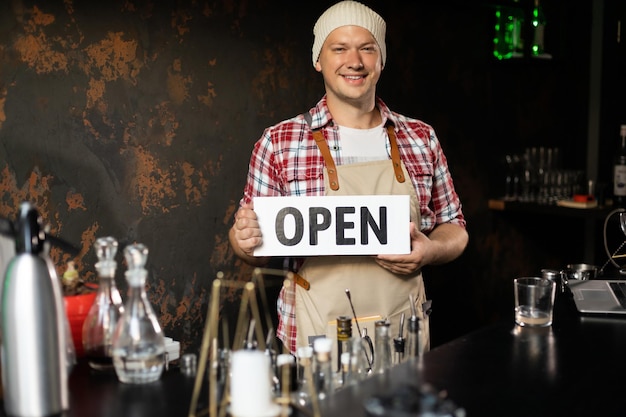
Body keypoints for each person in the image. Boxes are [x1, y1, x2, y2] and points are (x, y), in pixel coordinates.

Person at [229, 0, 468, 355]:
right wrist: (243, 238)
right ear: (318, 59)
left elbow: (455, 227)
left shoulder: (420, 137)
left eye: (367, 48)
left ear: (381, 59)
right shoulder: (279, 143)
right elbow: (253, 250)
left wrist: (431, 250)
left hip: (403, 331)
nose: (354, 61)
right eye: (339, 48)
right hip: (314, 338)